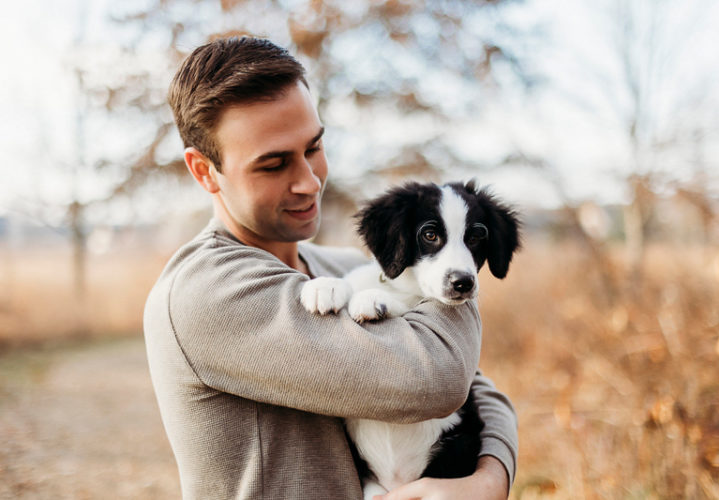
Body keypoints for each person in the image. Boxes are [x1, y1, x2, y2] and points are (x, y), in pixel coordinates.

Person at [144, 36, 518, 500]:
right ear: (204, 171)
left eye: (314, 147)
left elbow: (479, 385)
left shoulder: (343, 268)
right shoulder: (205, 292)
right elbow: (439, 378)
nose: (310, 180)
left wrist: (490, 479)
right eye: (274, 164)